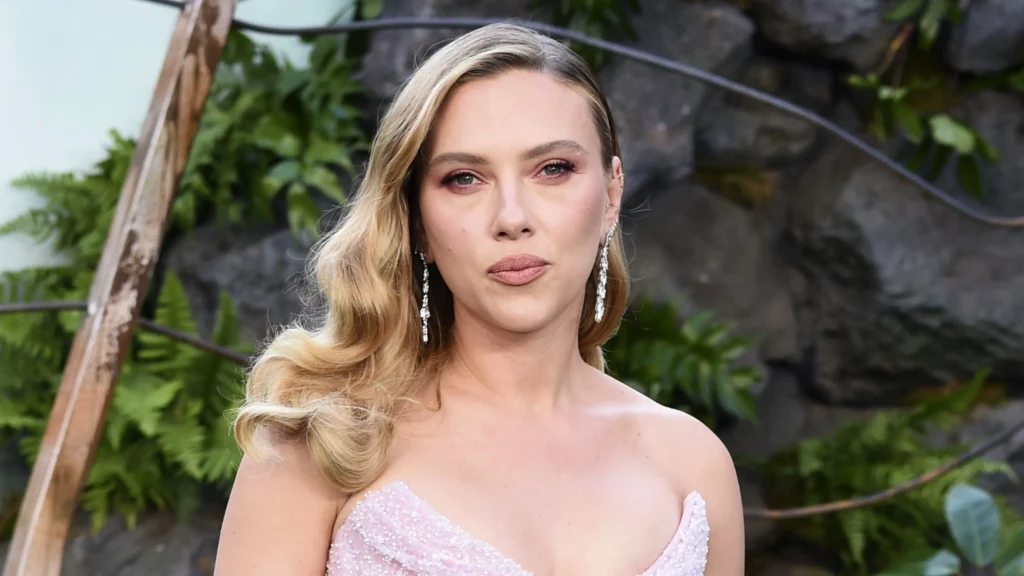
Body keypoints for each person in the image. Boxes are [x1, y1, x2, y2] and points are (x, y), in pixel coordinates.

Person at [214, 22, 744, 576]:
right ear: (417, 221)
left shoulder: (693, 465)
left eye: (553, 169)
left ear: (611, 194)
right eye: (465, 178)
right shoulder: (323, 445)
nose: (512, 217)